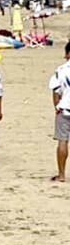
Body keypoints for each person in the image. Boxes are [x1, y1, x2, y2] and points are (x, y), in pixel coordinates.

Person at [51, 42, 70, 182]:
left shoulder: (61, 70)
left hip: (65, 108)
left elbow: (56, 91)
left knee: (62, 141)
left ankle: (62, 174)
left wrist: (56, 106)